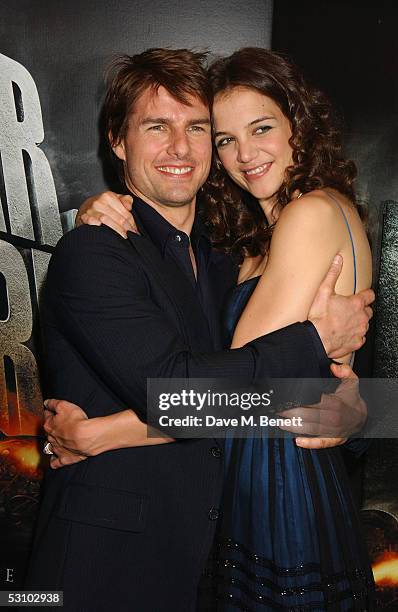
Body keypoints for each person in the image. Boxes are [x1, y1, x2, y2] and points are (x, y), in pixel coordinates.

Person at [33, 49, 374, 611]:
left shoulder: (222, 256)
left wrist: (103, 432)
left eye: (197, 129)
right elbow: (187, 389)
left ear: (299, 126)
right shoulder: (99, 251)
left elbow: (236, 398)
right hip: (112, 566)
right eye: (156, 127)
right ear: (117, 143)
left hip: (244, 528)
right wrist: (314, 349)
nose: (181, 148)